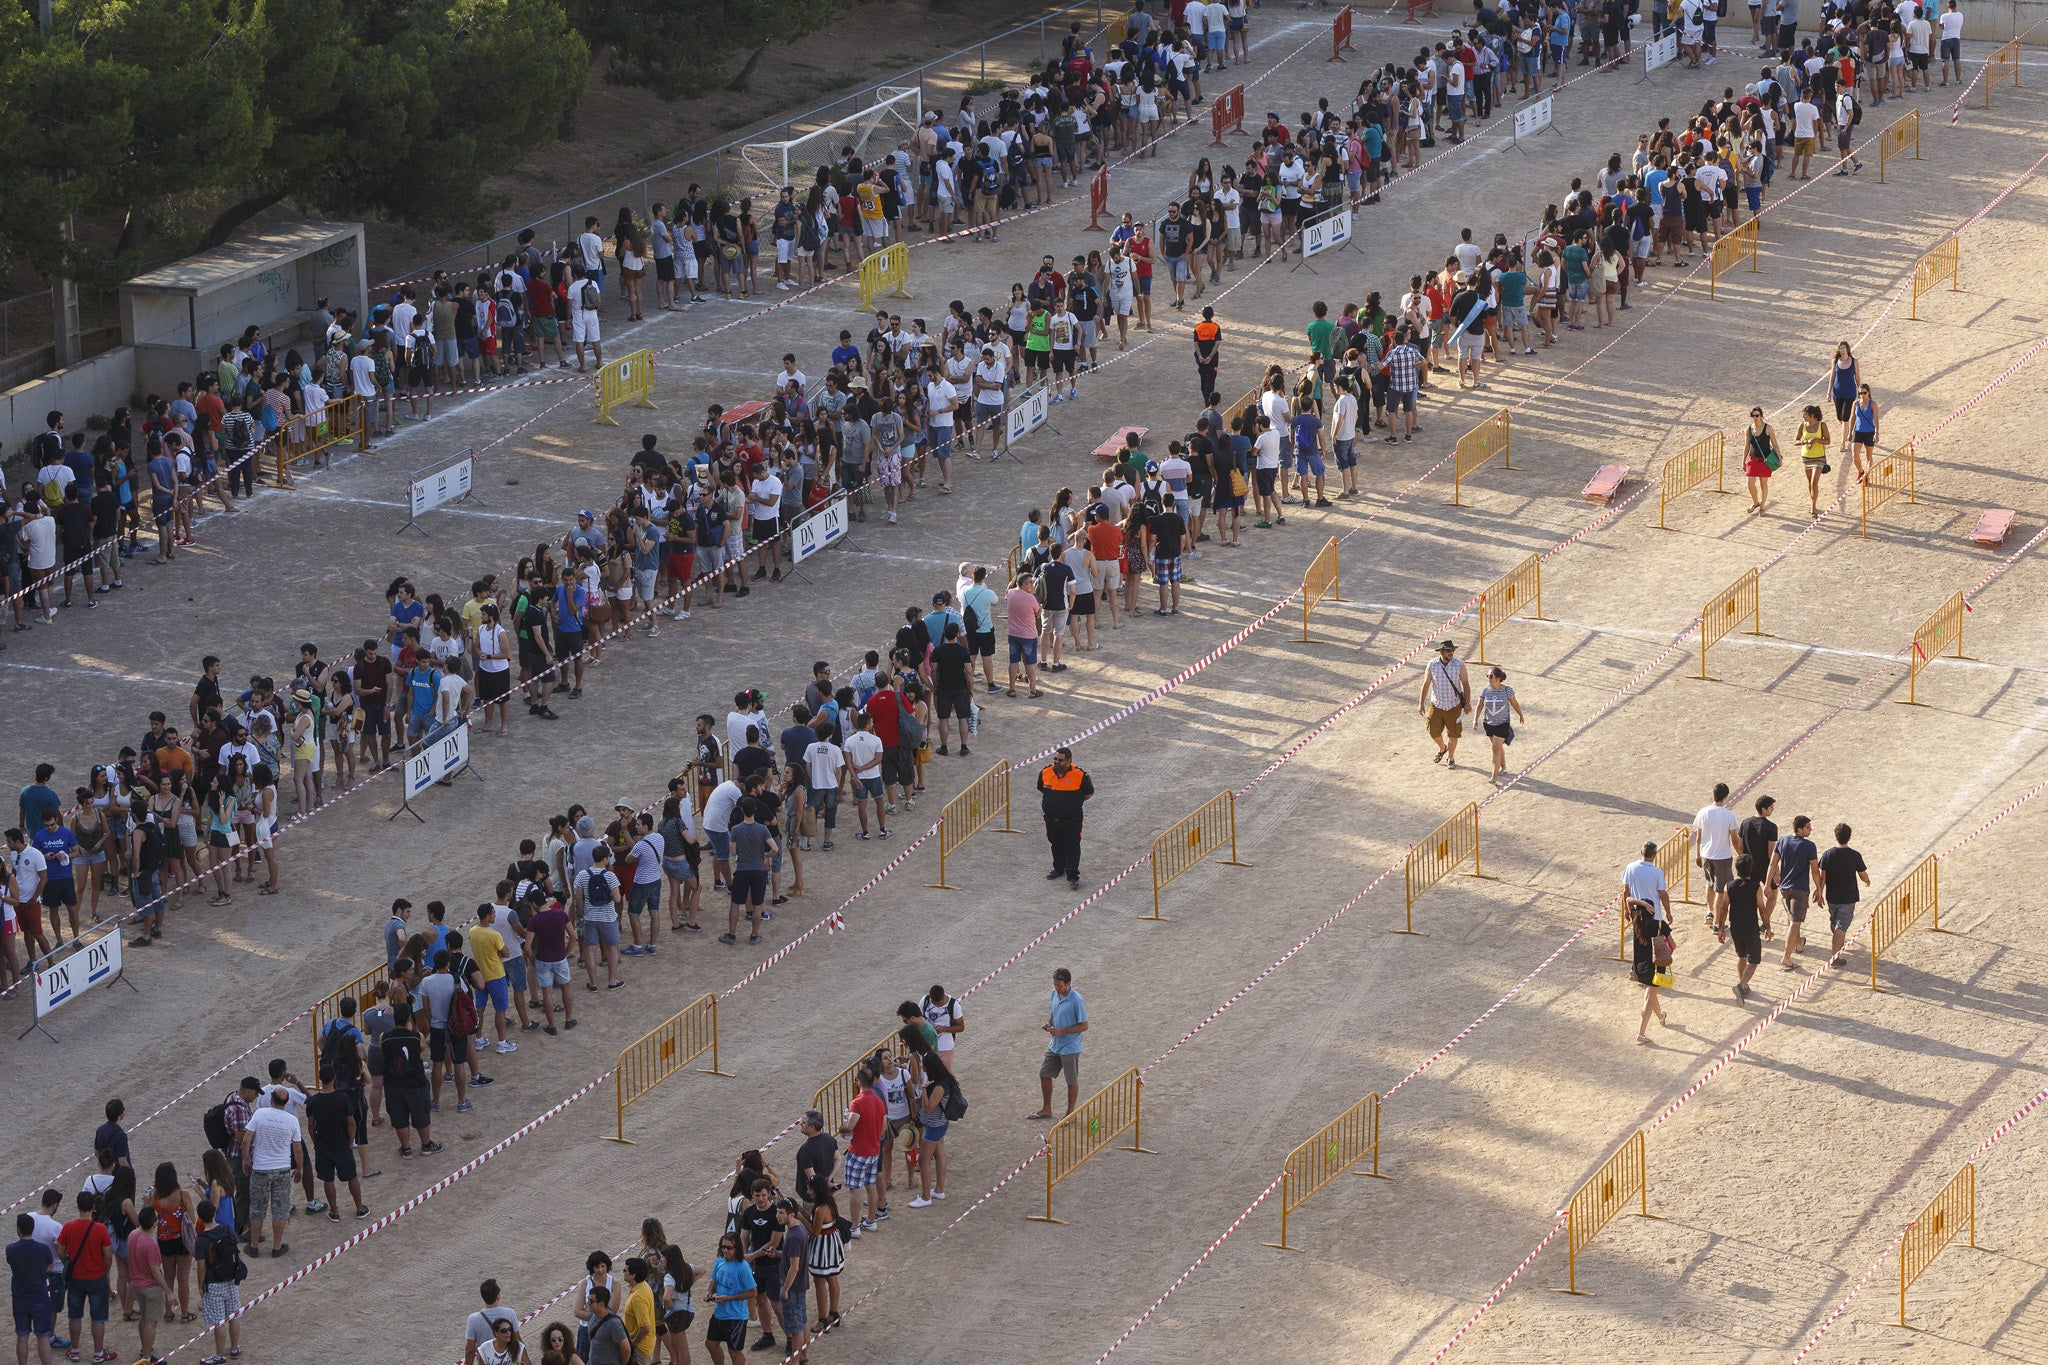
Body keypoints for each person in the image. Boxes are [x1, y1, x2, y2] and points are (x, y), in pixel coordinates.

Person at [243, 1085, 302, 1259]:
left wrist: (245, 1160)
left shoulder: (260, 1114)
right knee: (280, 1208)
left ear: (271, 1099)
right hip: (282, 1169)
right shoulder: (292, 1120)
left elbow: (247, 1140)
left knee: (257, 1208)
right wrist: (300, 1168)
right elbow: (297, 1149)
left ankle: (253, 1245)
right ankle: (277, 1247)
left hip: (261, 1168)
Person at [1029, 966, 1088, 1119]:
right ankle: (1046, 1109)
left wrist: (1061, 1031)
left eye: (1059, 985)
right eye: (1055, 984)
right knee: (1044, 1074)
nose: (1056, 987)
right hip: (1055, 1044)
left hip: (1070, 1047)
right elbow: (1053, 1012)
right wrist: (1048, 1023)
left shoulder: (1076, 1000)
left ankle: (1070, 1113)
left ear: (1068, 984)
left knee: (1071, 1081)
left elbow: (1084, 1026)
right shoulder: (1054, 994)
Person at [192, 1199, 242, 1365]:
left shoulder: (201, 1240)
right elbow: (237, 1250)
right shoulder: (227, 1230)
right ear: (214, 1213)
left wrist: (200, 1287)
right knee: (234, 1315)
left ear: (200, 1218)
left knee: (218, 1321)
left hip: (213, 1284)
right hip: (231, 1280)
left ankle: (219, 1355)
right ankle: (234, 1349)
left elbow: (201, 1267)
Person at [1036, 748, 1092, 890]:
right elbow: (1041, 788)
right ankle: (1059, 868)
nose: (1056, 762)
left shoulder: (1080, 775)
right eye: (1055, 759)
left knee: (1072, 847)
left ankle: (1073, 876)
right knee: (1055, 843)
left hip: (1071, 821)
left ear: (1069, 761)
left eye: (1060, 760)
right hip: (1051, 819)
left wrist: (1072, 804)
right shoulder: (1045, 772)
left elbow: (1088, 793)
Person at [1771, 815, 1821, 969]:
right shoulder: (1809, 846)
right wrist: (1819, 889)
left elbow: (1772, 864)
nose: (1810, 829)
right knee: (1795, 922)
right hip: (1799, 889)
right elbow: (1814, 870)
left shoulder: (1782, 841)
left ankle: (1799, 944)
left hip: (1784, 888)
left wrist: (1768, 884)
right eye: (1807, 827)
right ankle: (1786, 957)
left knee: (1791, 917)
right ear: (1799, 830)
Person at [1716, 853, 1767, 1000]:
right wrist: (1768, 927)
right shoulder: (1756, 888)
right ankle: (1741, 984)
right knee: (1754, 960)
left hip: (1735, 928)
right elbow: (1762, 909)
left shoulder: (1729, 886)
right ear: (1750, 869)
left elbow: (1724, 908)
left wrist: (1720, 929)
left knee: (1741, 955)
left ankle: (1743, 987)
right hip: (1750, 928)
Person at [1818, 822, 1869, 967]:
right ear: (1849, 837)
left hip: (1832, 897)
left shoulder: (1827, 854)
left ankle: (1837, 943)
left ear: (1836, 836)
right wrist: (1867, 880)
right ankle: (1835, 958)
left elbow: (1823, 877)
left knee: (1835, 923)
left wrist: (1820, 892)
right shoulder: (1854, 855)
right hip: (1848, 898)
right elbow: (1862, 874)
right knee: (1841, 927)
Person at [1692, 781, 1742, 930]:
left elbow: (1699, 837)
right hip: (1722, 857)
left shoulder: (1703, 812)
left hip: (1706, 855)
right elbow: (1734, 839)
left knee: (1710, 883)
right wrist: (1742, 855)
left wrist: (1698, 855)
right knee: (1721, 890)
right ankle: (1717, 923)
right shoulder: (1729, 815)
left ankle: (1709, 912)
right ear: (1726, 797)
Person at [10, 1212, 55, 1365]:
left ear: (18, 1230)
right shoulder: (42, 1249)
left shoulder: (11, 1249)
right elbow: (50, 1266)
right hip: (40, 1298)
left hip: (20, 1298)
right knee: (43, 1337)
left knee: (22, 1337)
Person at [1419, 640, 1472, 767]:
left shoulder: (1459, 665)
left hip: (1454, 705)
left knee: (1453, 733)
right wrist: (1421, 703)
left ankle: (1451, 758)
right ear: (1441, 651)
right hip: (1437, 704)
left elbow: (1465, 684)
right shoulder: (1432, 664)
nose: (1451, 653)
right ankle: (1443, 748)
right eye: (1448, 650)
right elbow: (1426, 684)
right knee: (1433, 732)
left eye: (1452, 650)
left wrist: (1467, 703)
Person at [703, 1237, 756, 1365]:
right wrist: (710, 1291)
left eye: (729, 1248)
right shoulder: (720, 1261)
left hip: (736, 1316)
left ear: (736, 1248)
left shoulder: (743, 1267)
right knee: (711, 1344)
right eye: (723, 1247)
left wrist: (729, 1298)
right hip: (719, 1313)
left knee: (734, 1351)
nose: (725, 1250)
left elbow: (753, 1292)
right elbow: (714, 1280)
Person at [1629, 897, 1672, 1043]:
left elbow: (1628, 899)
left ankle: (1661, 1017)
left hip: (1639, 967)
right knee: (1648, 997)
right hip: (1656, 967)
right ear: (1652, 911)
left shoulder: (1635, 922)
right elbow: (1673, 945)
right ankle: (1641, 1033)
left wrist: (1642, 904)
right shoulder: (1660, 925)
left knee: (1651, 994)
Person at [1476, 666, 1524, 785]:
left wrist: (1520, 715)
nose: (1488, 678)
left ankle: (1494, 776)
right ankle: (1503, 766)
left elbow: (1514, 703)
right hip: (1489, 723)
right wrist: (1475, 719)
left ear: (1498, 678)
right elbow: (1480, 705)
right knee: (1497, 746)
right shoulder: (1485, 691)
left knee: (1495, 748)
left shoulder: (1507, 690)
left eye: (1490, 676)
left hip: (1502, 724)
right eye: (1487, 676)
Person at [1741, 406, 1781, 515]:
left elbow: (1775, 445)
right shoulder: (1748, 430)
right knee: (1750, 484)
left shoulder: (1768, 428)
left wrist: (1779, 457)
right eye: (1753, 416)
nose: (1755, 417)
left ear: (1761, 416)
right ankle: (1755, 502)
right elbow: (1746, 446)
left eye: (1757, 415)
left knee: (1763, 484)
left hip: (1765, 461)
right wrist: (1743, 460)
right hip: (1753, 460)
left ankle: (1762, 507)